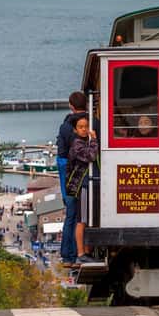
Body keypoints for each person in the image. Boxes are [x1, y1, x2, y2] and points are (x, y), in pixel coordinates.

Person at [56, 91, 88, 266]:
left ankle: (67, 255)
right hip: (85, 173)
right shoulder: (91, 123)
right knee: (82, 216)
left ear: (71, 106)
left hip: (68, 173)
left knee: (71, 214)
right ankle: (79, 253)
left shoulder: (65, 126)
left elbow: (61, 154)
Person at [66, 114, 100, 265]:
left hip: (89, 184)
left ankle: (87, 252)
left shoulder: (83, 142)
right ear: (75, 129)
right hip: (83, 185)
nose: (84, 129)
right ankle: (81, 253)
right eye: (80, 127)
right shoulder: (77, 144)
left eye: (86, 126)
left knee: (89, 219)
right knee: (82, 220)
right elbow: (90, 156)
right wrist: (94, 140)